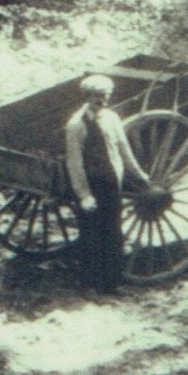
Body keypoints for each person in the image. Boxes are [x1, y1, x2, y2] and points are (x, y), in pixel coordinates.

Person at [63, 75, 131, 290]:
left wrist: (139, 175)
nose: (103, 101)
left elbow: (124, 149)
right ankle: (90, 283)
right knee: (91, 234)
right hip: (92, 185)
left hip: (111, 182)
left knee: (113, 231)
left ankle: (112, 283)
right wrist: (84, 195)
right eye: (98, 97)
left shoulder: (111, 118)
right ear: (87, 97)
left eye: (106, 96)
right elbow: (74, 163)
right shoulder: (76, 125)